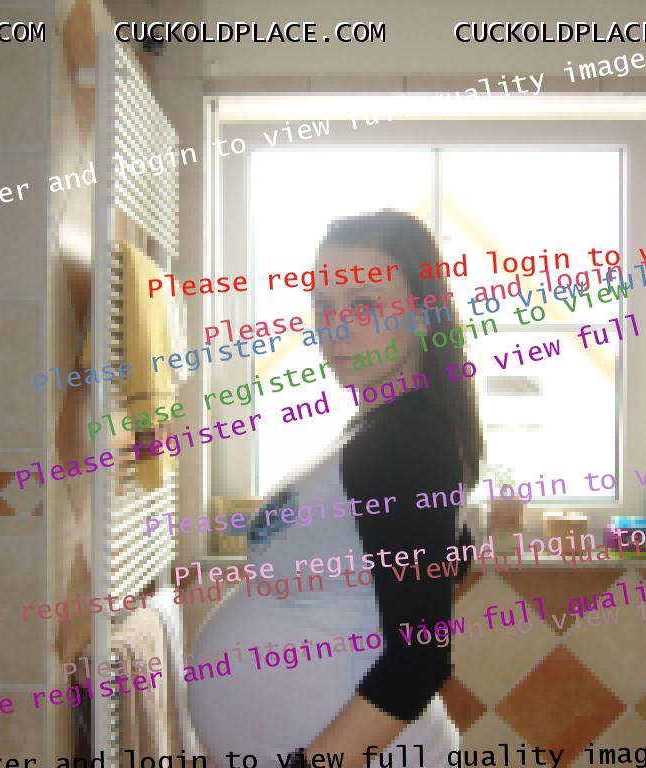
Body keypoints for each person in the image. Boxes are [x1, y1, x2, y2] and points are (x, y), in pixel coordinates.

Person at [188, 210, 481, 768]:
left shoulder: (408, 438)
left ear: (423, 313)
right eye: (324, 306)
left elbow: (419, 658)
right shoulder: (382, 428)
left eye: (364, 305)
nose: (336, 328)